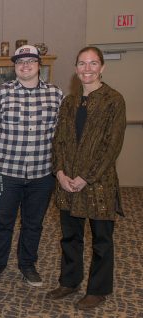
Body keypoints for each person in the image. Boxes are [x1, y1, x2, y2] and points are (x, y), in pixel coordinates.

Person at [0, 45, 63, 287]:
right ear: (15, 67)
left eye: (30, 61)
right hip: (6, 171)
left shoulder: (55, 94)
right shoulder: (1, 93)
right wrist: (5, 140)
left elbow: (61, 131)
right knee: (2, 221)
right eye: (20, 62)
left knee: (33, 223)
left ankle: (28, 265)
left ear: (38, 65)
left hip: (42, 173)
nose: (25, 66)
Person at [47, 46, 126, 309]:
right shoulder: (69, 101)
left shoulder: (114, 100)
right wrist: (59, 172)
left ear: (102, 67)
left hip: (98, 184)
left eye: (93, 64)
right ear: (76, 69)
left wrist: (85, 177)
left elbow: (111, 145)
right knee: (70, 237)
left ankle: (98, 290)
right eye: (82, 64)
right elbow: (59, 140)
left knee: (101, 240)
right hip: (66, 182)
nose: (87, 69)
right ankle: (69, 282)